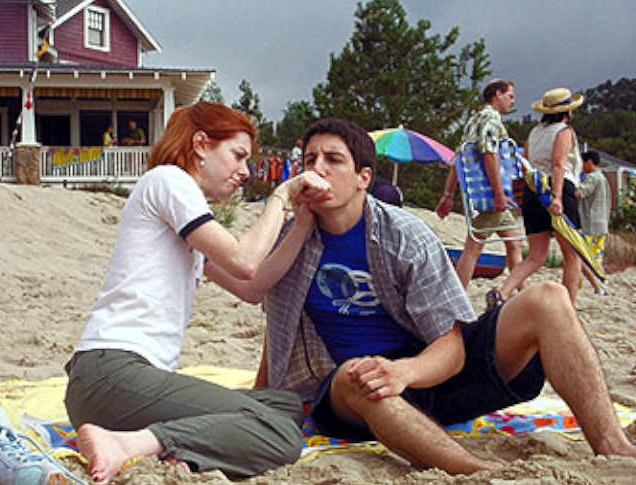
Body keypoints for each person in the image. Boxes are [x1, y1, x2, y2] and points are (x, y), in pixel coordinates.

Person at [248, 118, 636, 475]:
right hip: (351, 396)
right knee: (358, 374)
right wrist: (258, 399)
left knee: (549, 297)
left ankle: (612, 445)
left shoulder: (404, 235)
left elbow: (451, 345)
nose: (318, 169)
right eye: (310, 160)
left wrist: (403, 372)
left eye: (333, 160)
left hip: (427, 374)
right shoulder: (291, 240)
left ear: (363, 177)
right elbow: (278, 324)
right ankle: (481, 472)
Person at [64, 101, 332, 485]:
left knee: (284, 406)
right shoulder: (169, 180)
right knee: (281, 436)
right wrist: (280, 198)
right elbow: (244, 260)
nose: (245, 171)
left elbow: (252, 288)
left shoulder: (183, 215)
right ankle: (132, 443)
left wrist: (302, 224)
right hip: (112, 375)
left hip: (118, 383)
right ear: (201, 145)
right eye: (238, 156)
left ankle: (176, 451)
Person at [496, 87, 585, 305]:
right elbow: (558, 164)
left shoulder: (534, 132)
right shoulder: (564, 131)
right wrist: (557, 197)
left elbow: (524, 163)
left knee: (535, 256)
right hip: (558, 187)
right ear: (567, 111)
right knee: (572, 255)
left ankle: (502, 293)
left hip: (533, 190)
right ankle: (567, 307)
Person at [436, 79, 523, 288]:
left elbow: (459, 159)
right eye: (510, 96)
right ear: (498, 94)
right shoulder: (491, 119)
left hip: (480, 194)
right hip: (490, 194)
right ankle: (462, 295)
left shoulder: (473, 120)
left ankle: (518, 290)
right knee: (476, 247)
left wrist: (448, 194)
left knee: (512, 242)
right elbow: (489, 155)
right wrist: (499, 194)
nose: (512, 101)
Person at [577, 150, 611, 294]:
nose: (581, 166)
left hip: (591, 225)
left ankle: (598, 287)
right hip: (601, 225)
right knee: (596, 259)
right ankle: (603, 284)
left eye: (582, 163)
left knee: (582, 258)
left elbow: (579, 193)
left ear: (589, 162)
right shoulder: (602, 178)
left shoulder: (592, 178)